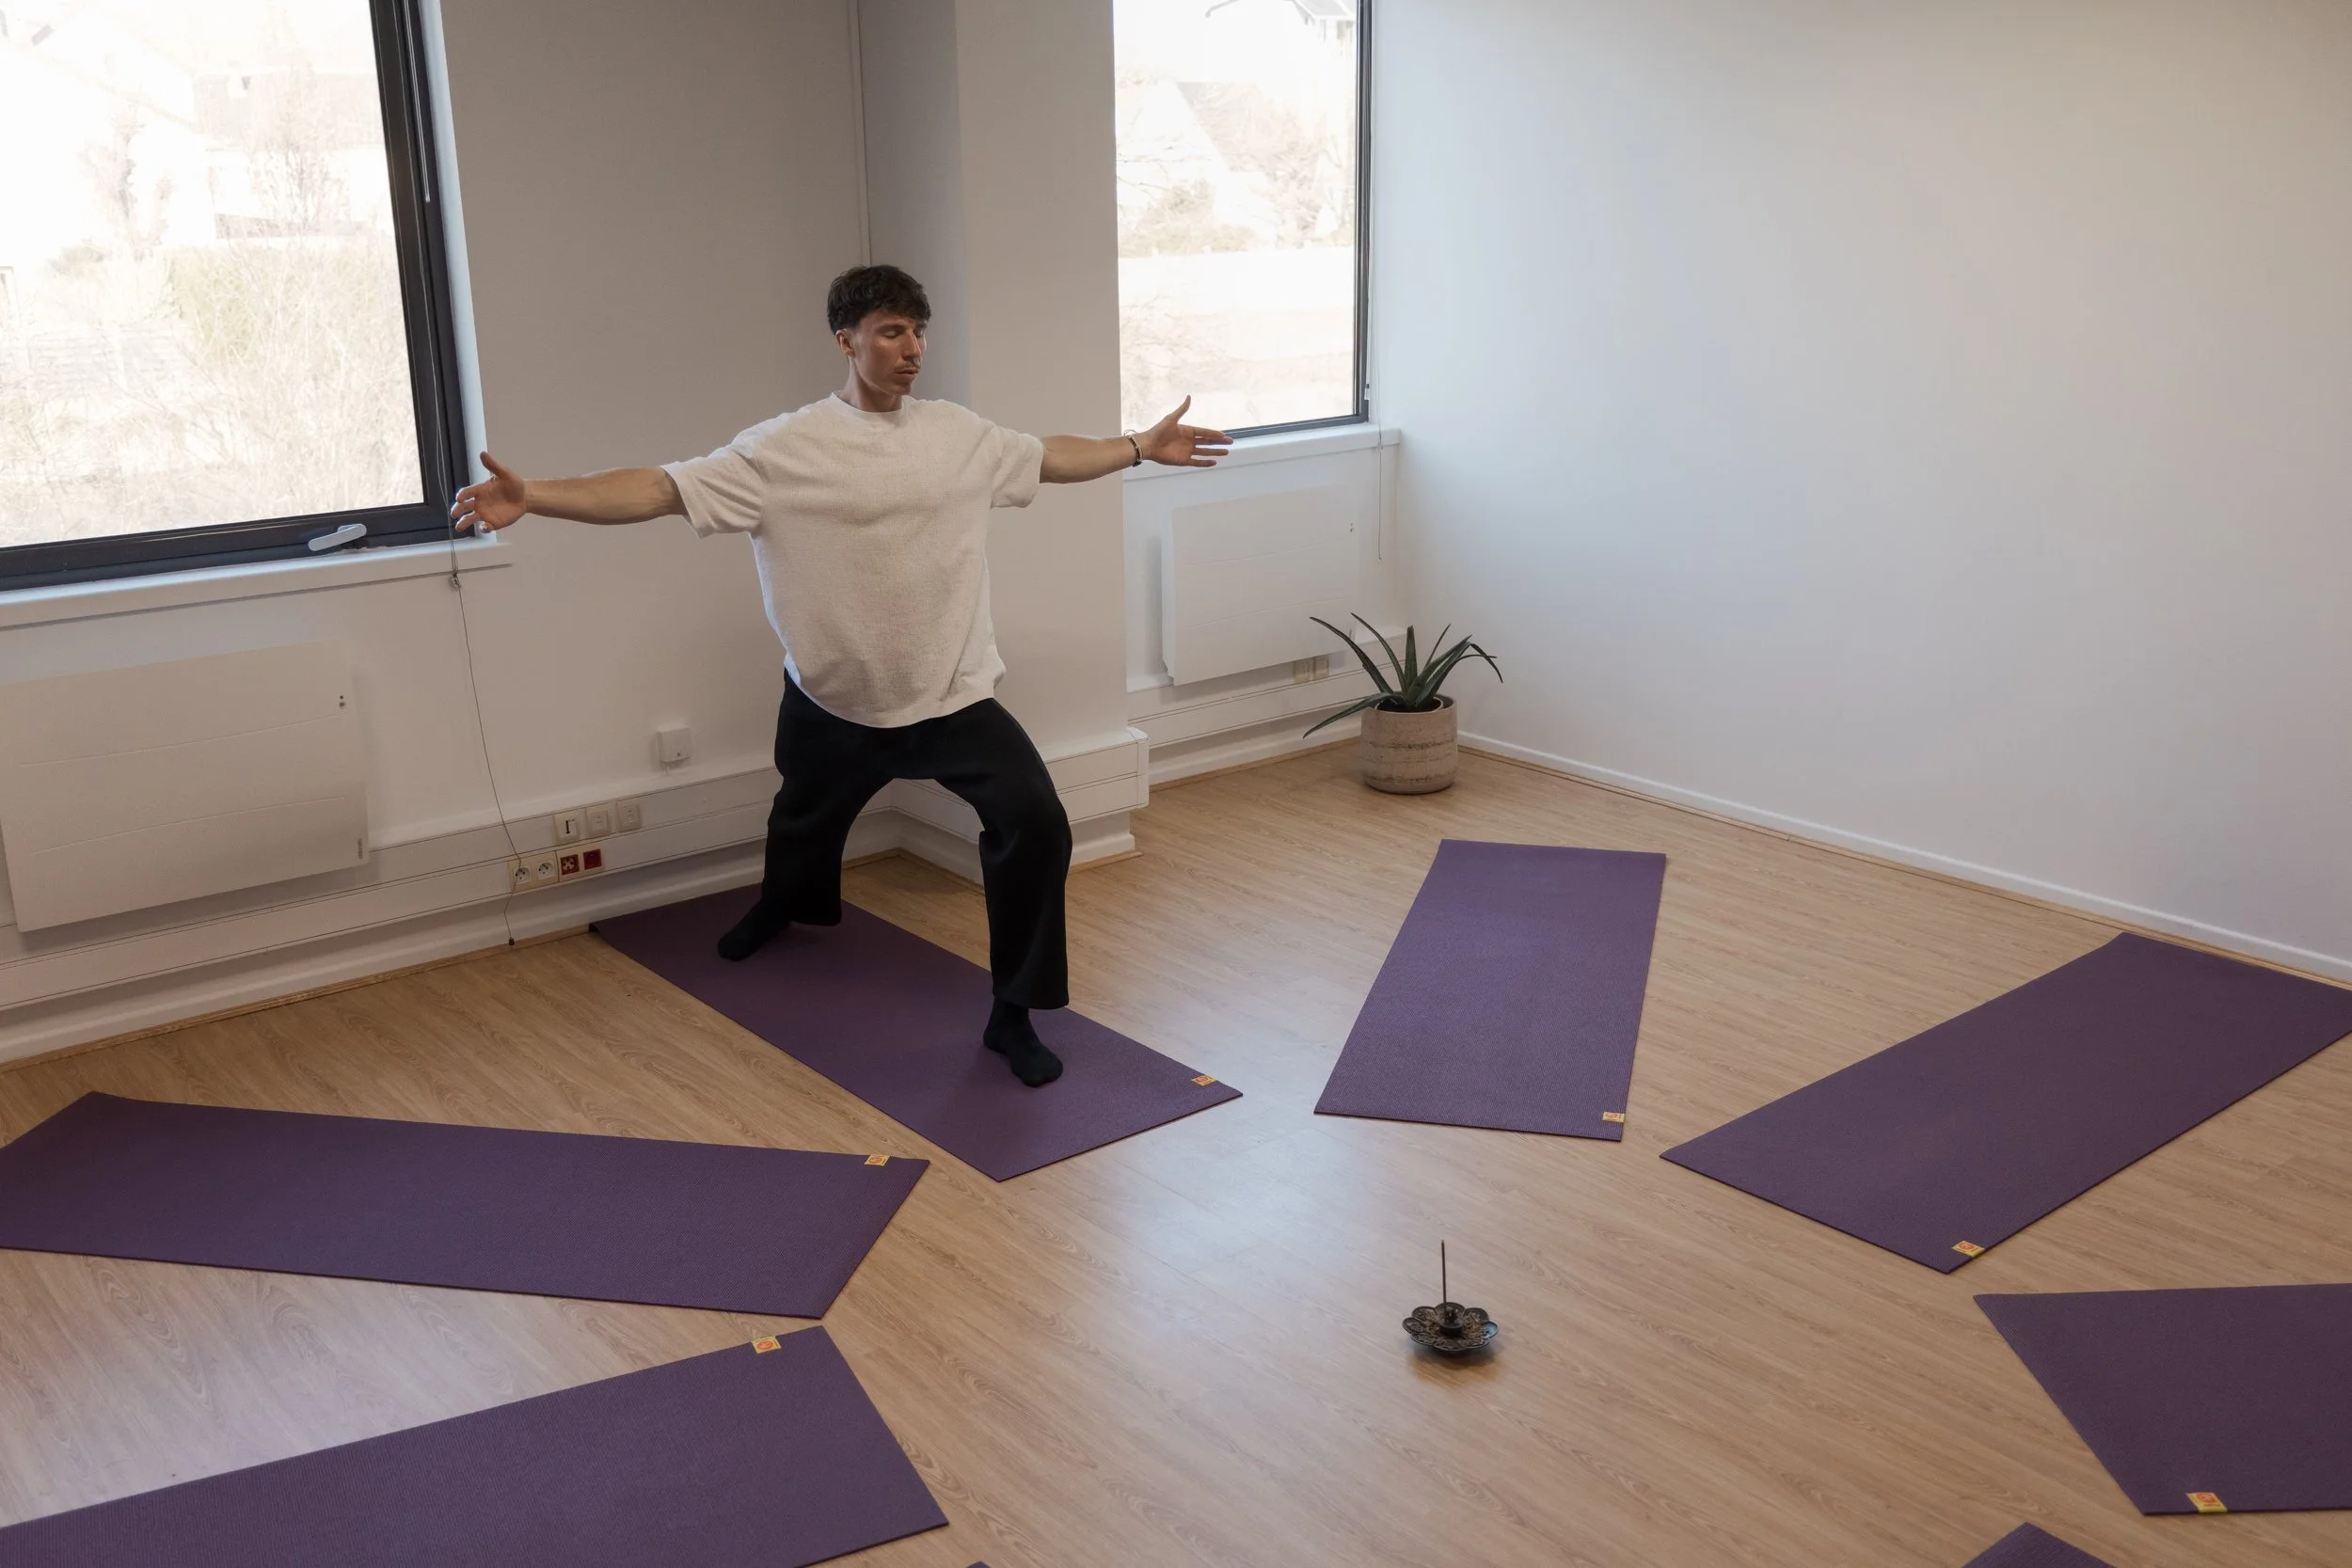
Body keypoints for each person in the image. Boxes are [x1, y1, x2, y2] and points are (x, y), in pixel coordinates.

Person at [450, 263, 1229, 1086]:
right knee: (804, 818)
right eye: (892, 331)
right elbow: (656, 489)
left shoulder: (958, 436)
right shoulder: (783, 449)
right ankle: (786, 904)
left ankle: (1012, 1013)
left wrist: (1141, 445)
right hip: (832, 697)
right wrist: (536, 496)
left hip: (953, 693)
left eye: (919, 332)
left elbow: (1049, 456)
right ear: (846, 339)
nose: (912, 349)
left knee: (1037, 827)